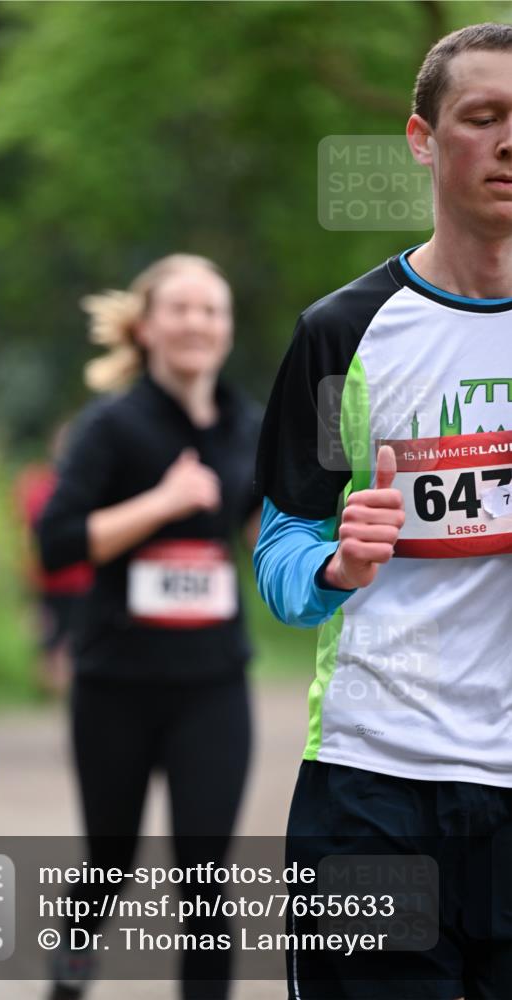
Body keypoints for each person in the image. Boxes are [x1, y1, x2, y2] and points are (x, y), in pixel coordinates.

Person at [254, 23, 511, 1000]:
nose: (507, 141)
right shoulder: (341, 334)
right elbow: (280, 549)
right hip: (372, 790)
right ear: (420, 138)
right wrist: (332, 566)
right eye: (481, 117)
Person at [38, 254, 262, 999]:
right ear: (145, 327)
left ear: (227, 329)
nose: (197, 322)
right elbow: (57, 541)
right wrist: (162, 503)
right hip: (116, 686)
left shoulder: (246, 426)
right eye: (181, 308)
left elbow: (262, 534)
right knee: (107, 865)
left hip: (212, 685)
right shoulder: (111, 425)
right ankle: (66, 985)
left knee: (204, 879)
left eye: (212, 309)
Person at [14, 423, 94, 696]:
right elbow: (30, 530)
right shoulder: (37, 483)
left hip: (84, 579)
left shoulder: (93, 480)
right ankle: (50, 695)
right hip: (48, 579)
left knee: (74, 642)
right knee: (49, 640)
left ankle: (64, 693)